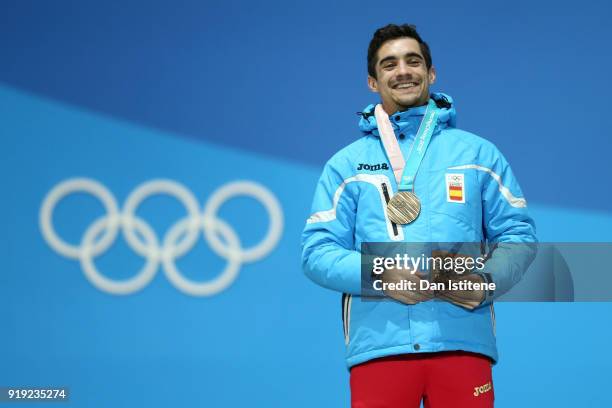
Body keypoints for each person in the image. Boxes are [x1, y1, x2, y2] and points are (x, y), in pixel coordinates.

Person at [301, 24, 537, 407]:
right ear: (372, 82)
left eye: (413, 61)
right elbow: (316, 252)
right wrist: (377, 273)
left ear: (431, 74)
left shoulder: (479, 155)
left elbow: (518, 236)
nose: (403, 70)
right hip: (381, 346)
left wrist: (484, 280)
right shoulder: (345, 165)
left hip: (461, 341)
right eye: (389, 64)